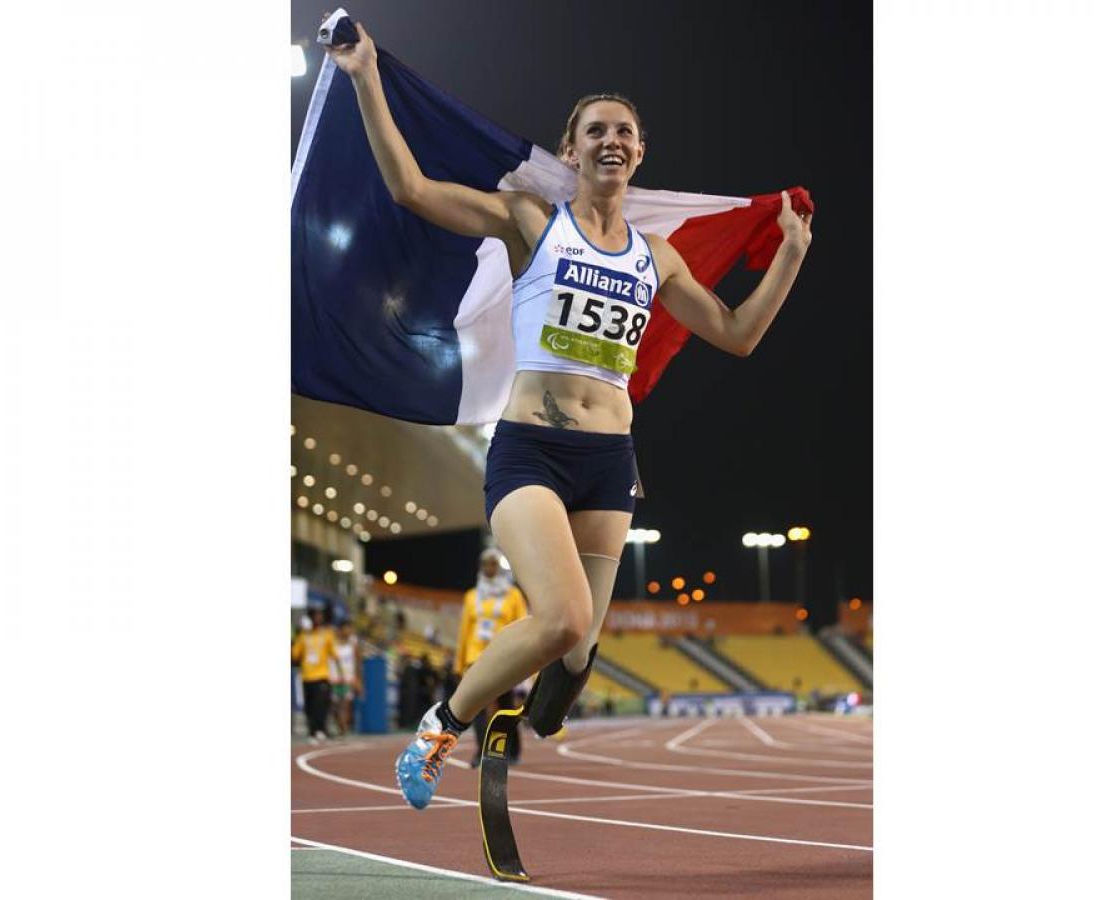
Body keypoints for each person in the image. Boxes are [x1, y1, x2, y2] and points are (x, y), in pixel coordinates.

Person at [326, 22, 813, 810]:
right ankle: (439, 727)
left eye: (624, 130)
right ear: (573, 149)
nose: (611, 140)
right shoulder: (531, 221)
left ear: (640, 152)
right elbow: (411, 190)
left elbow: (737, 334)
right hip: (531, 452)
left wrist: (788, 255)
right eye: (597, 131)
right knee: (560, 618)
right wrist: (365, 74)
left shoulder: (658, 258)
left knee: (579, 648)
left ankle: (547, 707)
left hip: (610, 461)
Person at [455, 549, 529, 767]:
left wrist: (523, 659)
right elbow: (464, 631)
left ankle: (512, 750)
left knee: (506, 705)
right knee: (477, 706)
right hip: (475, 658)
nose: (489, 568)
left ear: (499, 567)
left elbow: (523, 625)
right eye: (486, 564)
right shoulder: (471, 596)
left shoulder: (513, 595)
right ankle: (481, 752)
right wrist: (459, 664)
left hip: (503, 655)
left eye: (493, 564)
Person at [291, 607, 341, 744]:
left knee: (321, 705)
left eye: (320, 615)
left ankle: (321, 730)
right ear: (310, 618)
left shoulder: (327, 634)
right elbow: (295, 655)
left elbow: (335, 655)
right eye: (316, 615)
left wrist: (339, 674)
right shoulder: (303, 636)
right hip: (307, 676)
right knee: (309, 706)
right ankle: (312, 732)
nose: (318, 618)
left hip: (322, 675)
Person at [331, 620, 362, 737]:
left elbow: (358, 662)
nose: (349, 631)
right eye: (347, 628)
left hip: (348, 678)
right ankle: (340, 725)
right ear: (340, 629)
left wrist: (358, 679)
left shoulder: (353, 644)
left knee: (345, 705)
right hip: (334, 677)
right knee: (334, 706)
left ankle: (343, 729)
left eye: (350, 629)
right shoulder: (333, 642)